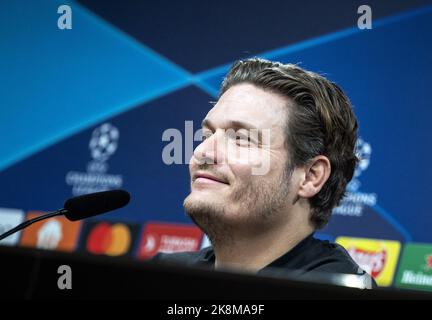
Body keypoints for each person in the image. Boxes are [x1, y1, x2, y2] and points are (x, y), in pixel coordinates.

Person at [154, 58, 374, 287]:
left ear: (310, 176)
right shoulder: (162, 274)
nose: (203, 152)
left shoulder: (335, 289)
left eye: (240, 138)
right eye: (207, 135)